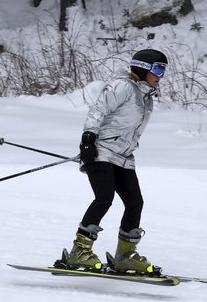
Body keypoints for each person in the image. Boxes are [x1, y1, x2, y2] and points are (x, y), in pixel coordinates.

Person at [65, 49, 168, 275]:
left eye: (163, 70)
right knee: (104, 198)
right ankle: (79, 251)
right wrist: (88, 140)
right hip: (101, 151)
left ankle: (125, 256)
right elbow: (98, 109)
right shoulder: (122, 86)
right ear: (143, 68)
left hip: (124, 156)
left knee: (135, 202)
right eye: (158, 69)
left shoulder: (146, 95)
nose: (161, 75)